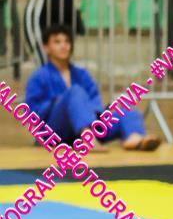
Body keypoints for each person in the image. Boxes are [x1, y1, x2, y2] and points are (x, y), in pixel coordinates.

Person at [25, 25, 161, 151]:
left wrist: (89, 112)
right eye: (57, 42)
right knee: (75, 92)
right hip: (56, 131)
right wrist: (58, 102)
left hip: (88, 125)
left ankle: (134, 138)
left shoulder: (81, 74)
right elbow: (33, 113)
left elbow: (95, 103)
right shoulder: (39, 76)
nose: (63, 46)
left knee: (125, 111)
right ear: (46, 47)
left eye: (67, 41)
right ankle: (88, 137)